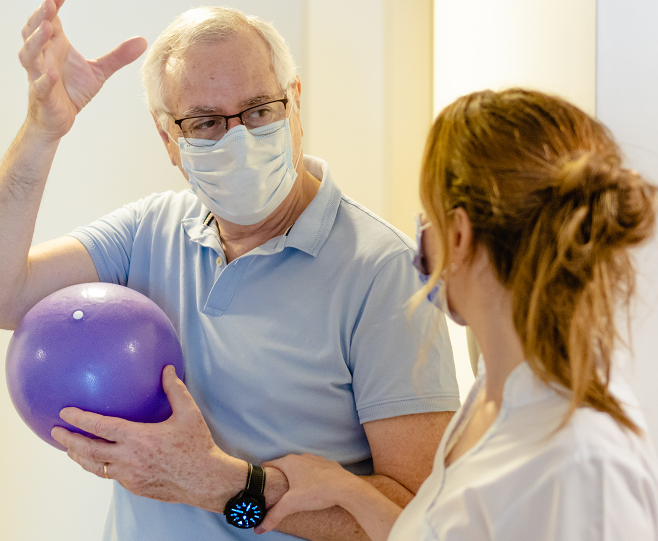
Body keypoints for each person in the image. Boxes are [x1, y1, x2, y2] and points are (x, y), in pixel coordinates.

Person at [0, 1, 460, 540]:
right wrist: (41, 128)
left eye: (260, 109)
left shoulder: (384, 272)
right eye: (206, 122)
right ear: (169, 139)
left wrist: (219, 486)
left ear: (294, 104)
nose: (238, 137)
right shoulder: (149, 230)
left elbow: (421, 520)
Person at [256, 88, 658, 540]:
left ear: (460, 236)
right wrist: (347, 491)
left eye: (428, 215)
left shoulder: (583, 464)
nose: (421, 234)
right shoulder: (494, 391)